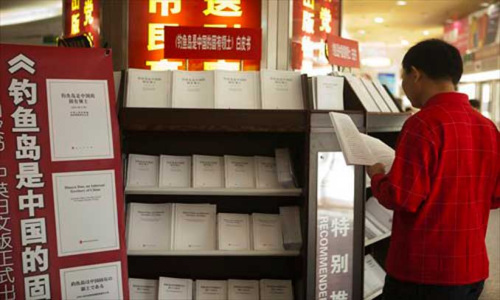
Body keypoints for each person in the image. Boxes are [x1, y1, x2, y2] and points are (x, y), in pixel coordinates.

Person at [367, 39, 500, 300]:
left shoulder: (423, 124)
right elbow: (495, 196)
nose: (404, 87)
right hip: (471, 268)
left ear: (415, 74)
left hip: (422, 271)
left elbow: (401, 196)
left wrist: (377, 175)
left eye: (403, 76)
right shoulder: (488, 127)